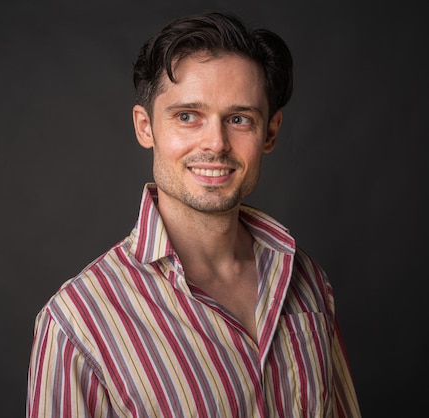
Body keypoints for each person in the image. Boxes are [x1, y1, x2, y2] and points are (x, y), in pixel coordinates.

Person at [26, 10, 360, 418]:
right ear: (145, 126)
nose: (216, 143)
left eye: (239, 119)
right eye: (188, 117)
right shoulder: (77, 325)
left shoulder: (308, 281)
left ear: (269, 132)